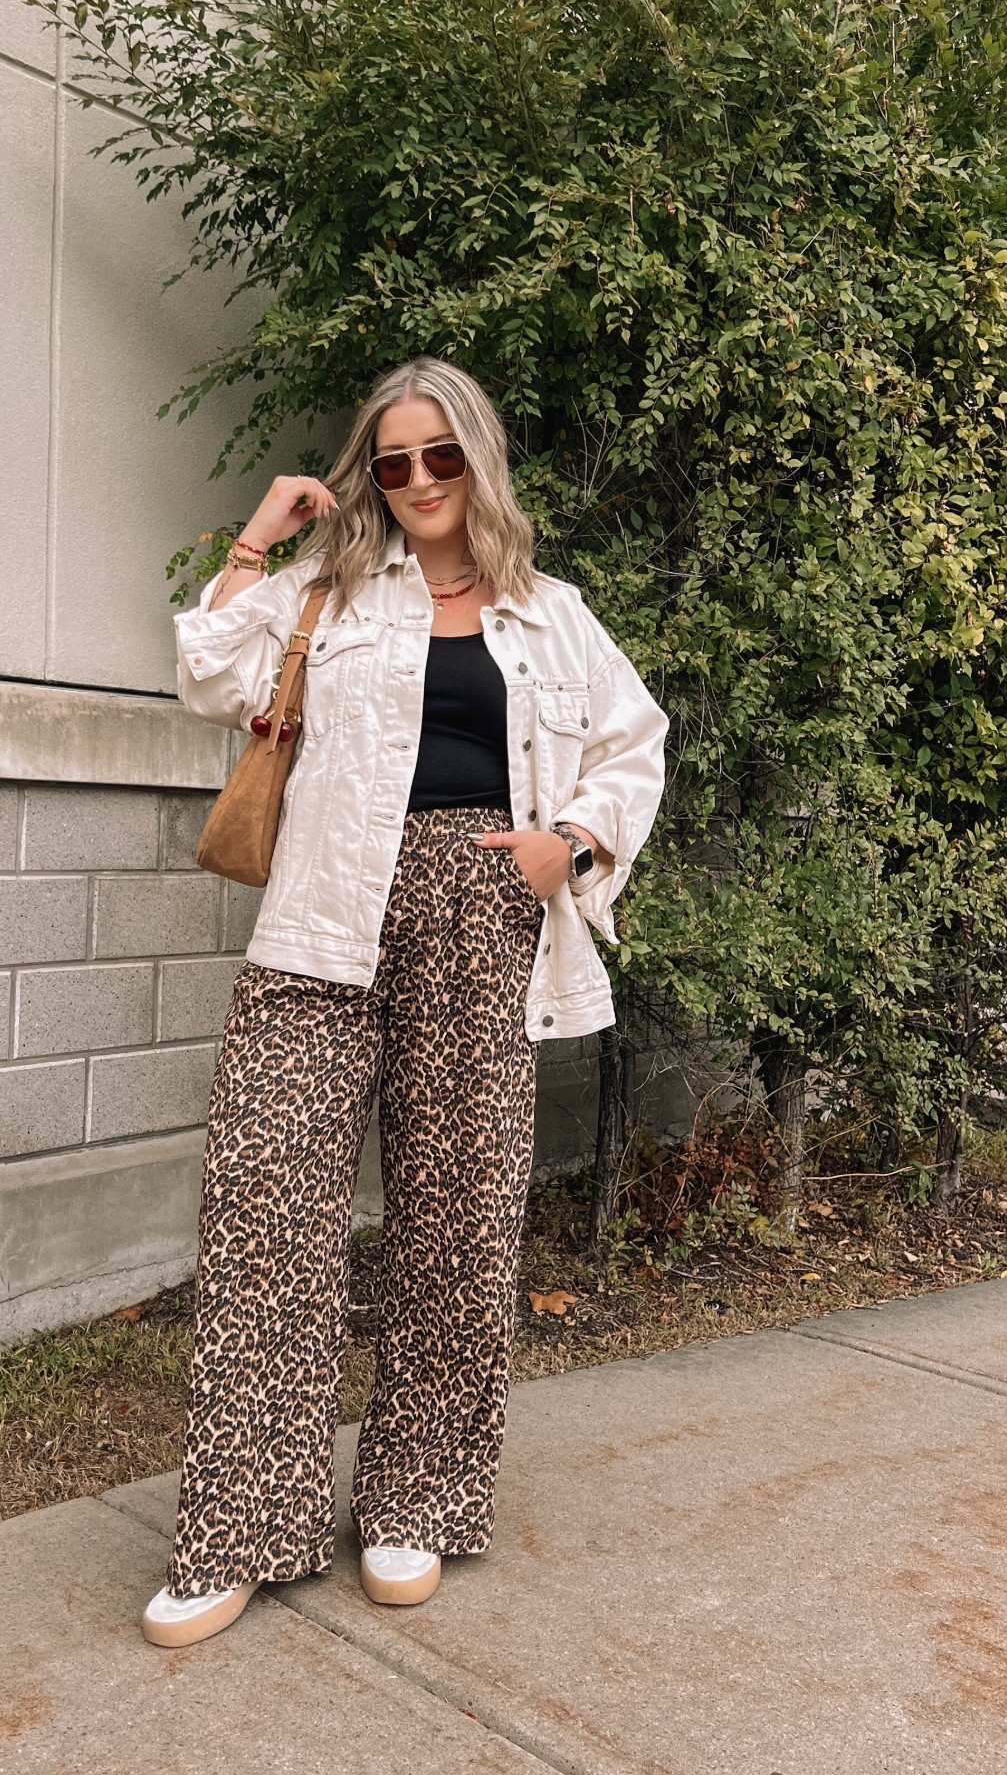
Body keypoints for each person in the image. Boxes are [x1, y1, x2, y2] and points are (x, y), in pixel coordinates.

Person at [141, 356, 668, 1648]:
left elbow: (634, 740)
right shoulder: (334, 591)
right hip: (322, 918)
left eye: (441, 457)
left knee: (457, 1220)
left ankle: (414, 1502)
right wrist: (257, 538)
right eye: (393, 461)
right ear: (373, 474)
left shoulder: (551, 613)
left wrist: (574, 845)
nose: (418, 480)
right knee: (265, 1198)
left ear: (476, 461)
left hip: (483, 915)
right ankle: (240, 1526)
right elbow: (209, 674)